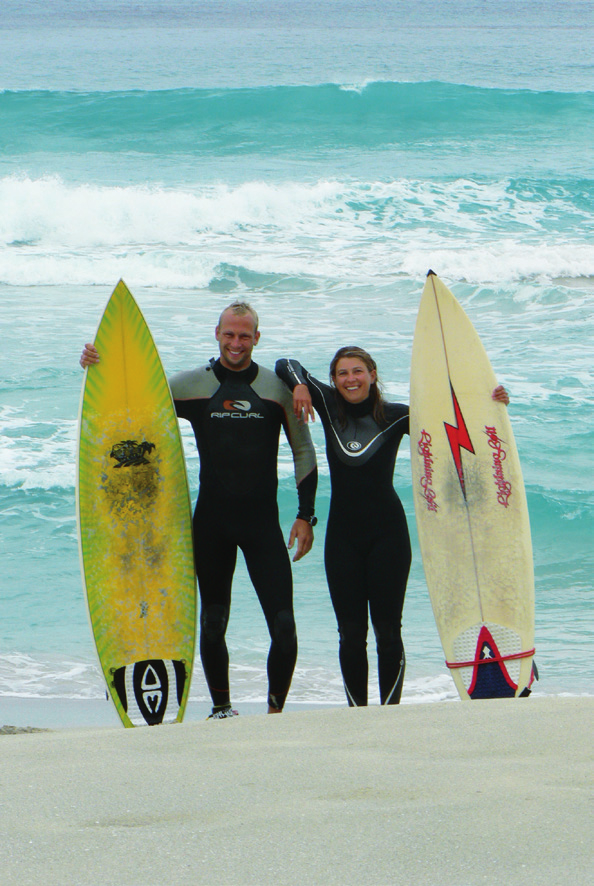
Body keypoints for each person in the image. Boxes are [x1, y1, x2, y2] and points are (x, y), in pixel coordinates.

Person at [81, 301, 318, 718]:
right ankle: (222, 709)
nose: (236, 342)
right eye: (229, 334)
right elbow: (135, 396)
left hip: (263, 525)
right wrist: (97, 366)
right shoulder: (194, 385)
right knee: (212, 621)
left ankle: (275, 712)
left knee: (283, 626)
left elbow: (303, 450)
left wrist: (305, 514)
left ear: (256, 338)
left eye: (245, 335)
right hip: (212, 523)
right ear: (217, 333)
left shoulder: (276, 389)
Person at [276, 347, 509, 708]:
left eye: (358, 371)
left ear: (372, 374)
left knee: (387, 632)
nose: (350, 379)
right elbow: (287, 364)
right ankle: (358, 712)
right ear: (334, 379)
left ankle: (391, 713)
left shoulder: (397, 416)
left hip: (388, 535)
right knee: (351, 634)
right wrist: (299, 387)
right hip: (342, 538)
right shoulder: (327, 404)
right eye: (342, 373)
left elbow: (456, 427)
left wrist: (491, 402)